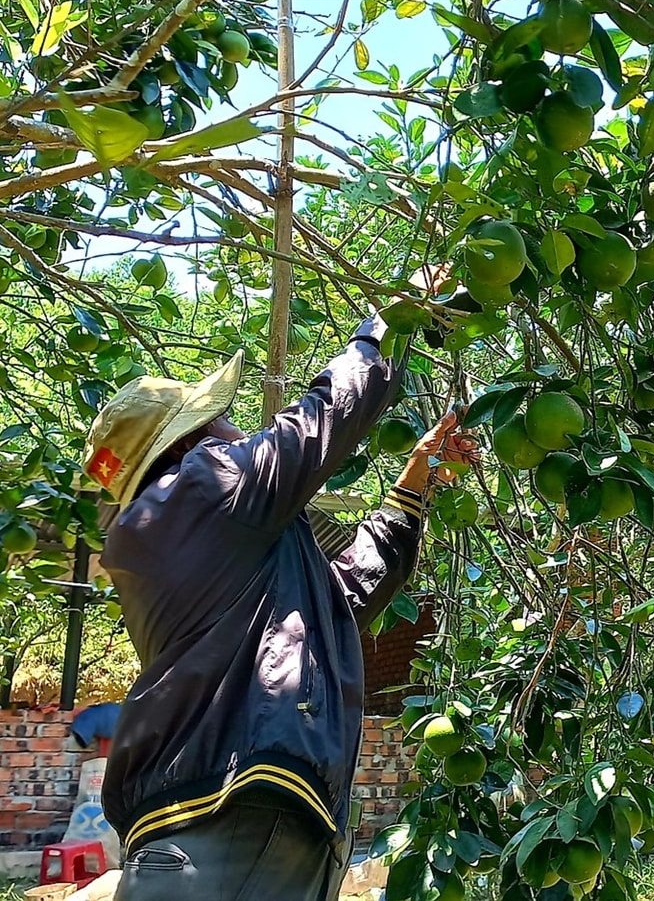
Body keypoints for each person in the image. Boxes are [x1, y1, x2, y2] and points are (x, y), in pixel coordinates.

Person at [80, 313, 476, 901]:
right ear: (190, 445)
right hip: (232, 815)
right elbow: (321, 419)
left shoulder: (186, 536)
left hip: (207, 824)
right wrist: (387, 326)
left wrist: (411, 489)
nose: (238, 429)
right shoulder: (202, 489)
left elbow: (334, 607)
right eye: (221, 419)